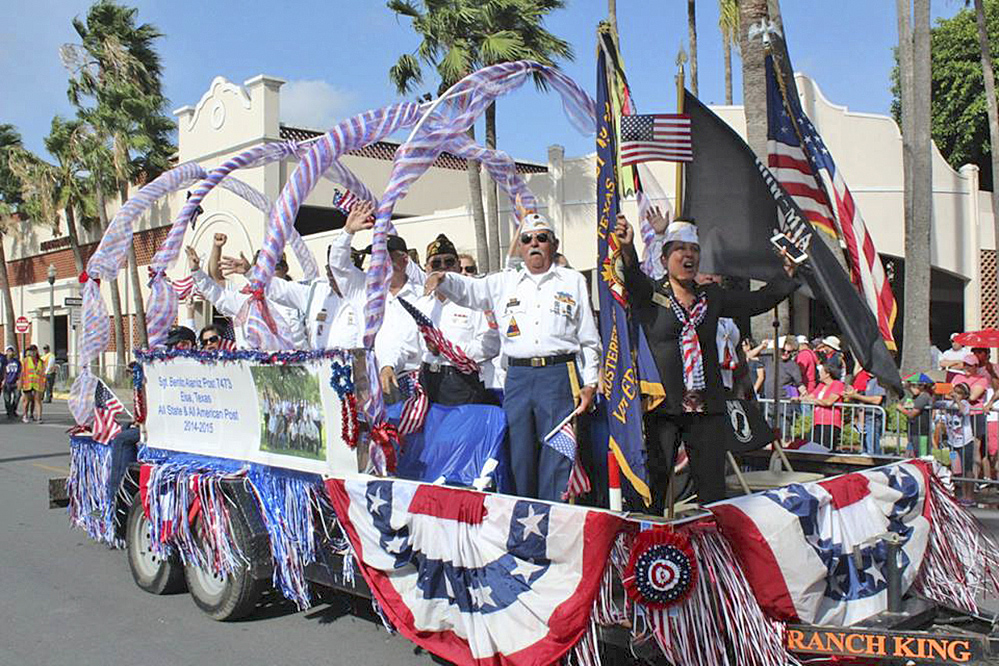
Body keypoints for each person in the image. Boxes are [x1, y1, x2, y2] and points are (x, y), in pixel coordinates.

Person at [612, 214, 799, 508]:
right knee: (656, 484)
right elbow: (632, 277)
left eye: (694, 250)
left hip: (707, 408)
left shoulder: (711, 297)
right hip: (664, 408)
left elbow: (757, 302)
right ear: (664, 259)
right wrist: (627, 247)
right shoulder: (652, 294)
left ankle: (712, 545)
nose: (688, 255)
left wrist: (787, 271)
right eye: (679, 249)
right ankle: (649, 543)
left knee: (712, 490)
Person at [423, 212, 600, 502]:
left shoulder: (573, 280)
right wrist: (443, 278)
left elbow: (589, 339)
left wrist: (590, 382)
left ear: (553, 245)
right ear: (519, 248)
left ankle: (552, 522)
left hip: (559, 375)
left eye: (542, 238)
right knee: (520, 453)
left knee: (557, 454)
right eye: (527, 239)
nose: (534, 244)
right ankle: (522, 521)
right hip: (518, 377)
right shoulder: (504, 283)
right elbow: (469, 290)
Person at [382, 234, 500, 406]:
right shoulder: (421, 305)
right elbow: (404, 343)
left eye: (449, 262)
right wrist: (388, 366)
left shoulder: (475, 304)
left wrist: (449, 351)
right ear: (427, 269)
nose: (443, 268)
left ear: (459, 266)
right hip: (427, 381)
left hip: (463, 381)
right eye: (436, 263)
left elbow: (490, 344)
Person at [328, 201, 424, 397]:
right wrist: (348, 231)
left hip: (406, 383)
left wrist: (389, 365)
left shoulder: (421, 297)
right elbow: (339, 265)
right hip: (365, 381)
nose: (379, 262)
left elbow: (408, 341)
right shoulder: (363, 289)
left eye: (386, 256)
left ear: (404, 260)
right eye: (376, 256)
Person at [761, 336, 807, 439]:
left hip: (784, 402)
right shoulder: (769, 359)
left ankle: (786, 444)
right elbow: (750, 355)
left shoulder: (792, 365)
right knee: (769, 428)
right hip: (769, 400)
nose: (786, 353)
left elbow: (798, 384)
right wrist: (763, 346)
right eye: (783, 350)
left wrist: (802, 394)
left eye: (789, 352)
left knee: (784, 428)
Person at [938, 382, 975, 503]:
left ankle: (969, 495)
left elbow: (964, 411)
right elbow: (935, 404)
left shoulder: (965, 403)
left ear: (964, 395)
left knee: (967, 468)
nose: (956, 394)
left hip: (965, 441)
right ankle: (960, 493)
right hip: (952, 442)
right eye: (955, 391)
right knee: (955, 467)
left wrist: (958, 400)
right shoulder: (949, 404)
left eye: (959, 393)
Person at [799, 359, 846, 451]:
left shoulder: (838, 384)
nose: (819, 374)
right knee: (815, 447)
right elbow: (810, 397)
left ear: (827, 374)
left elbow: (829, 402)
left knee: (826, 448)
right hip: (817, 421)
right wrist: (801, 397)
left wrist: (813, 400)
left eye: (821, 372)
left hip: (830, 422)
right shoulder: (821, 385)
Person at [843, 361, 886, 455]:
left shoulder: (879, 381)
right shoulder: (866, 379)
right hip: (863, 416)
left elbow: (877, 400)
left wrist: (856, 396)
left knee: (872, 449)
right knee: (864, 449)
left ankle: (874, 463)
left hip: (873, 417)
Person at [896, 373, 934, 457]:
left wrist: (901, 409)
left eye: (913, 386)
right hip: (913, 430)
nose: (910, 388)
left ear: (921, 387)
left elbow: (912, 414)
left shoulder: (923, 397)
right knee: (912, 450)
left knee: (921, 454)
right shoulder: (916, 396)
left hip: (921, 431)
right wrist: (907, 386)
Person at [20, 345, 45, 423]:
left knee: (38, 400)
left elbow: (43, 373)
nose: (32, 352)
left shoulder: (40, 362)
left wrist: (44, 383)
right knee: (27, 400)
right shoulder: (25, 361)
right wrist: (20, 383)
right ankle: (25, 416)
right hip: (27, 383)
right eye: (31, 351)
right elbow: (22, 372)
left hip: (38, 383)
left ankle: (39, 417)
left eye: (34, 351)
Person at [3, 346, 20, 419]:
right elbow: (3, 371)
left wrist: (19, 380)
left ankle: (13, 410)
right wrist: (3, 380)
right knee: (7, 399)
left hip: (15, 382)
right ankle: (9, 412)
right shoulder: (4, 361)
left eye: (11, 351)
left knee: (17, 396)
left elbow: (20, 371)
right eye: (8, 351)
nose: (10, 353)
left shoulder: (17, 362)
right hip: (7, 382)